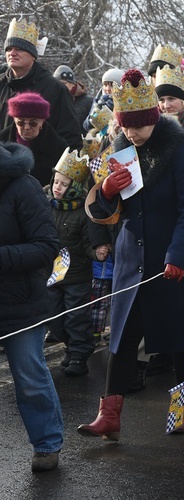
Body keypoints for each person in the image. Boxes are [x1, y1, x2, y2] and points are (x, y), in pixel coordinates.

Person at [78, 69, 184, 441]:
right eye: (126, 126)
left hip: (174, 257)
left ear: (152, 118)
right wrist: (105, 190)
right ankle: (109, 414)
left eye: (138, 126)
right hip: (131, 260)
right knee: (121, 336)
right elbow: (108, 211)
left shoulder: (179, 149)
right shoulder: (120, 150)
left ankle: (182, 408)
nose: (132, 133)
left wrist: (179, 254)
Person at [1, 141, 63, 472]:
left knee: (28, 375)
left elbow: (46, 246)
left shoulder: (23, 186)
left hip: (21, 303)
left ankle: (47, 444)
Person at [46, 148, 104, 376]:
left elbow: (88, 243)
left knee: (76, 317)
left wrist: (97, 251)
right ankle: (70, 346)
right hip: (51, 275)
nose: (57, 188)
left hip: (77, 276)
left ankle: (79, 354)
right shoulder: (45, 204)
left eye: (63, 184)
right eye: (56, 182)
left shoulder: (83, 211)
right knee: (53, 316)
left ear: (76, 187)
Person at [0, 18, 81, 149]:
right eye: (9, 49)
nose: (12, 53)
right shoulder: (1, 84)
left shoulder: (55, 89)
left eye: (19, 49)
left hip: (40, 166)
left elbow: (71, 140)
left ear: (33, 55)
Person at [0, 91, 67, 186]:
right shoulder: (2, 140)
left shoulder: (58, 147)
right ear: (14, 120)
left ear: (42, 122)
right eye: (21, 122)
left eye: (33, 123)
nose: (26, 127)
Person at [53, 65, 93, 133]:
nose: (60, 86)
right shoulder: (51, 100)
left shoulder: (88, 102)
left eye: (64, 83)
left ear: (73, 84)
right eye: (57, 83)